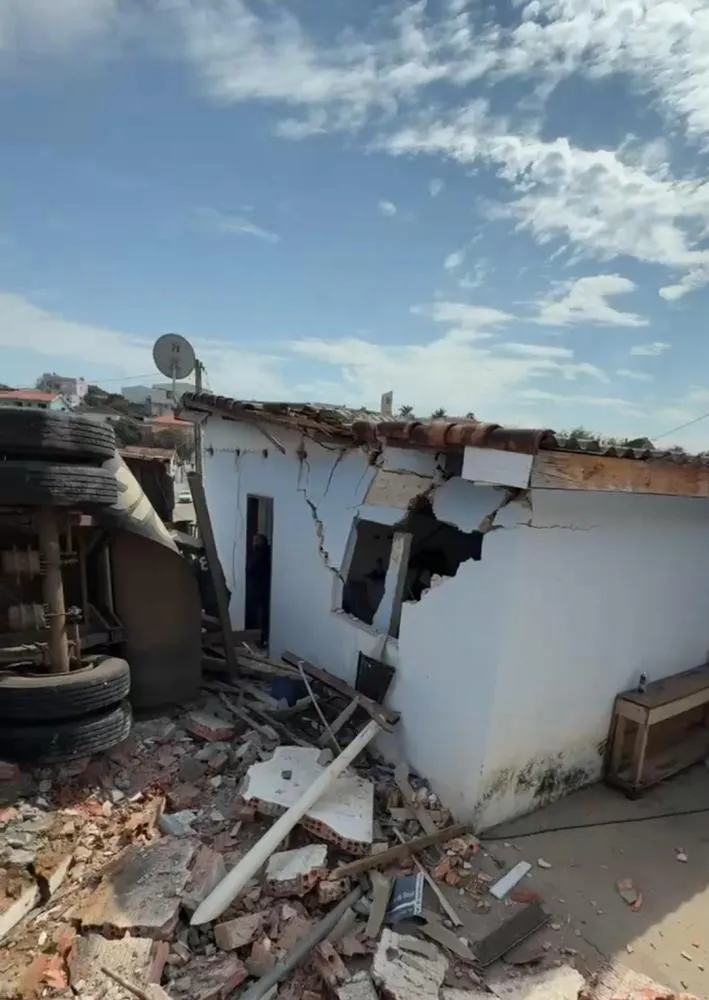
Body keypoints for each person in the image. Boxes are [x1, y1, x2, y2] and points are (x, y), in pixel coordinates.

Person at [246, 533, 271, 648]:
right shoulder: (261, 553)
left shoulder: (261, 554)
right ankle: (260, 638)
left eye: (257, 540)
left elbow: (251, 568)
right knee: (261, 616)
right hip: (260, 589)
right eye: (254, 540)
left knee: (261, 616)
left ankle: (261, 638)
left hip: (260, 589)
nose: (254, 543)